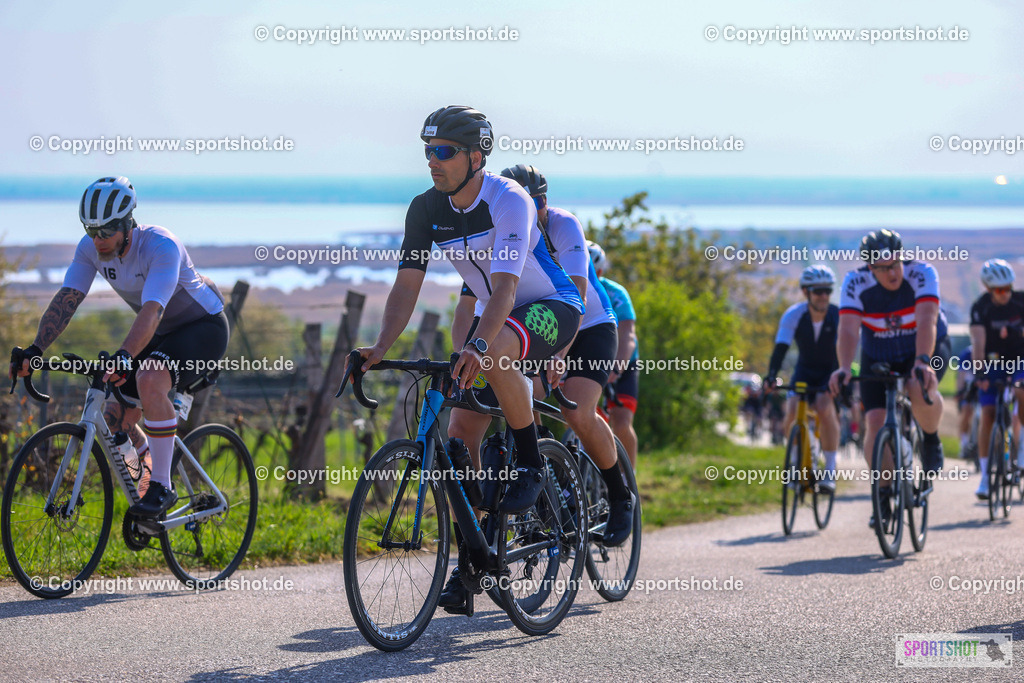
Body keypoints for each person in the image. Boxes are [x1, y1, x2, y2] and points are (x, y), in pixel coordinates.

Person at [353, 106, 582, 611]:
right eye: (427, 151)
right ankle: (475, 559)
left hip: (549, 306)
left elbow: (504, 288)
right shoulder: (424, 208)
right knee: (459, 434)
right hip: (498, 317)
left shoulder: (508, 199)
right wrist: (380, 349)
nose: (432, 161)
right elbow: (406, 286)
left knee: (496, 351)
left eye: (443, 152)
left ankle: (528, 460)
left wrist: (477, 346)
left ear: (477, 156)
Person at [8, 176, 229, 519]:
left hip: (202, 328)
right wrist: (35, 348)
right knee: (113, 417)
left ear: (127, 225)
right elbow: (68, 299)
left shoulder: (160, 246)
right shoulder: (90, 249)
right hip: (159, 333)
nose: (97, 240)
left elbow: (153, 310)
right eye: (90, 230)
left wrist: (125, 356)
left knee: (150, 379)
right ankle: (148, 495)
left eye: (106, 231)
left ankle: (162, 487)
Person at [491, 165, 634, 546]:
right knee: (522, 395)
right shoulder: (503, 228)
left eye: (535, 202)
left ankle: (620, 496)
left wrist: (560, 356)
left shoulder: (563, 225)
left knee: (576, 411)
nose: (528, 209)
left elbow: (579, 294)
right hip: (537, 326)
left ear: (545, 201)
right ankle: (548, 484)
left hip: (589, 327)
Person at [829, 229, 948, 526]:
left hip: (923, 345)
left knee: (917, 387)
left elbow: (927, 319)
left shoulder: (922, 274)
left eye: (896, 263)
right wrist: (844, 367)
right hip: (878, 351)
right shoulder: (855, 283)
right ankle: (882, 493)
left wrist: (923, 361)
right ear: (871, 268)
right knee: (874, 422)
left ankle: (931, 439)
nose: (893, 272)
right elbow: (847, 329)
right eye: (884, 268)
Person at [765, 265, 841, 490]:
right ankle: (796, 461)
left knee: (824, 407)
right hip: (804, 372)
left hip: (829, 373)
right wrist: (771, 375)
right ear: (805, 292)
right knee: (791, 411)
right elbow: (781, 348)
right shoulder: (794, 315)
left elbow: (846, 348)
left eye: (828, 291)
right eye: (818, 291)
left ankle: (829, 469)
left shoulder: (838, 316)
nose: (824, 296)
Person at [968, 259, 1024, 499]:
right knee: (988, 413)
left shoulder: (1020, 301)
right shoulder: (980, 307)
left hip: (1020, 359)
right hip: (992, 362)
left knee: (1022, 392)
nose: (1006, 294)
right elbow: (978, 343)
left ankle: (1021, 455)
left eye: (1009, 288)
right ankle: (983, 478)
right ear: (989, 289)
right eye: (1000, 290)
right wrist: (979, 373)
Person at [590, 242, 641, 466]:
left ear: (599, 272)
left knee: (621, 422)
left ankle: (628, 479)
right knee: (577, 418)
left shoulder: (616, 293)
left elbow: (628, 334)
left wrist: (617, 368)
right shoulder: (566, 288)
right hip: (587, 360)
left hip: (622, 361)